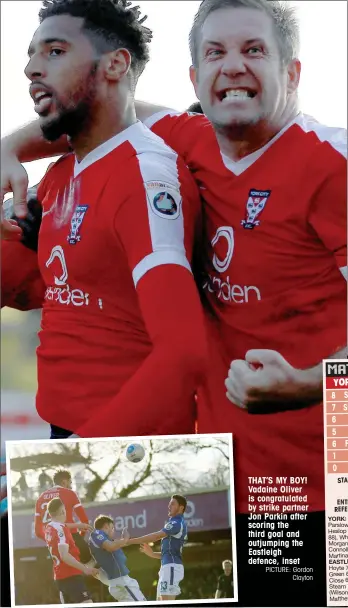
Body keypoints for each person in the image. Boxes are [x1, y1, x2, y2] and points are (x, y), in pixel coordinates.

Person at [1, 0, 347, 604]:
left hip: (323, 486)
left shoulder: (331, 164)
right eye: (215, 54)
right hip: (219, 478)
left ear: (292, 72)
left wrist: (317, 381)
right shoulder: (191, 140)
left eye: (254, 51)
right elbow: (102, 113)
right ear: (193, 78)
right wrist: (5, 148)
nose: (232, 67)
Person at [1, 0, 208, 441]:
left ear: (115, 65)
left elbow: (183, 352)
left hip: (130, 455)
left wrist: (78, 461)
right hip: (68, 441)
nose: (33, 69)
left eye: (55, 52)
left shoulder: (145, 176)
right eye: (32, 55)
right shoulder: (61, 174)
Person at [127, 494, 188, 601]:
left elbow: (156, 536)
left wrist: (130, 541)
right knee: (160, 601)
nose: (169, 506)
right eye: (169, 504)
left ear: (181, 508)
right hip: (167, 567)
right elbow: (168, 554)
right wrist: (151, 554)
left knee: (165, 602)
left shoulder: (176, 523)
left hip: (171, 568)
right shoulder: (174, 522)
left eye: (172, 504)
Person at [44, 498, 98, 604]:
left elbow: (64, 525)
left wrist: (80, 526)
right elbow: (64, 555)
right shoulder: (61, 530)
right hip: (70, 575)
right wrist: (85, 569)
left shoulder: (49, 528)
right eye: (65, 510)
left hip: (60, 576)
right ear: (63, 512)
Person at [35, 469, 92, 564]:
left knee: (64, 572)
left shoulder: (40, 498)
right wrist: (80, 539)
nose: (71, 486)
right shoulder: (69, 493)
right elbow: (84, 521)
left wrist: (51, 540)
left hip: (54, 543)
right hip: (71, 536)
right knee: (92, 565)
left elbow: (38, 532)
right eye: (70, 483)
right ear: (64, 482)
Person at [88, 515, 146, 602]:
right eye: (112, 528)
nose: (113, 531)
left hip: (122, 582)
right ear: (106, 526)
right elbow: (111, 547)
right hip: (122, 582)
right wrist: (125, 538)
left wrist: (124, 540)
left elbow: (116, 545)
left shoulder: (107, 540)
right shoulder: (97, 533)